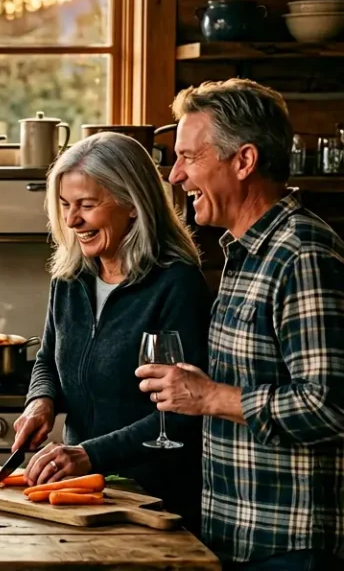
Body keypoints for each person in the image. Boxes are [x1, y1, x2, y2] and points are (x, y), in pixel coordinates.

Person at [138, 79, 344, 569]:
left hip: (290, 546)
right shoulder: (245, 252)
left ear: (244, 161)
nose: (175, 176)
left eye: (189, 157)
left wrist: (210, 397)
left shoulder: (302, 254)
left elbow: (329, 405)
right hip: (239, 534)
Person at [11, 132, 210, 527]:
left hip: (154, 502)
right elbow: (48, 360)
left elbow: (183, 416)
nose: (71, 220)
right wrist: (41, 401)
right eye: (65, 205)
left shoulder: (177, 285)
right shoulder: (69, 278)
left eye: (86, 205)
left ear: (133, 205)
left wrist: (88, 454)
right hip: (79, 494)